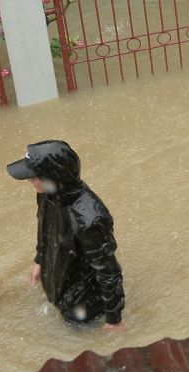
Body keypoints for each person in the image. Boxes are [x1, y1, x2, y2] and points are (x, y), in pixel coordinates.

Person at [7, 140, 125, 329]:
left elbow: (108, 271)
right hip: (58, 276)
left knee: (77, 334)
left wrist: (114, 319)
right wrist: (39, 258)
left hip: (83, 302)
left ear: (52, 176)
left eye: (33, 175)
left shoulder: (91, 219)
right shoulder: (47, 192)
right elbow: (44, 225)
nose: (28, 179)